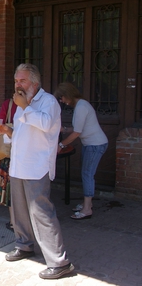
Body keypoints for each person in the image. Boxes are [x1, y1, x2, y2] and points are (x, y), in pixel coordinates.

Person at [0, 63, 74, 280]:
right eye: (15, 81)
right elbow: (26, 132)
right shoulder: (21, 105)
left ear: (35, 83)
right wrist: (8, 131)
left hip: (36, 166)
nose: (17, 85)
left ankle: (60, 262)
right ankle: (24, 245)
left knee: (41, 213)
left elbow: (47, 125)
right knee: (19, 211)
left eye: (22, 81)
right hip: (19, 165)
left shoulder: (47, 102)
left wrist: (25, 107)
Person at [54, 82, 108, 220]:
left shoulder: (81, 107)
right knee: (86, 174)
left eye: (62, 98)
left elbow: (77, 132)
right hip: (90, 144)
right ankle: (86, 203)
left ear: (68, 95)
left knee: (87, 174)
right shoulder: (81, 105)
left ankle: (87, 209)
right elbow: (79, 128)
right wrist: (64, 129)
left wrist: (61, 144)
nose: (62, 101)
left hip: (94, 145)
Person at [0, 97, 18, 231]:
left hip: (9, 154)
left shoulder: (8, 104)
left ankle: (13, 222)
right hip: (27, 154)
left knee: (10, 188)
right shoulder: (34, 105)